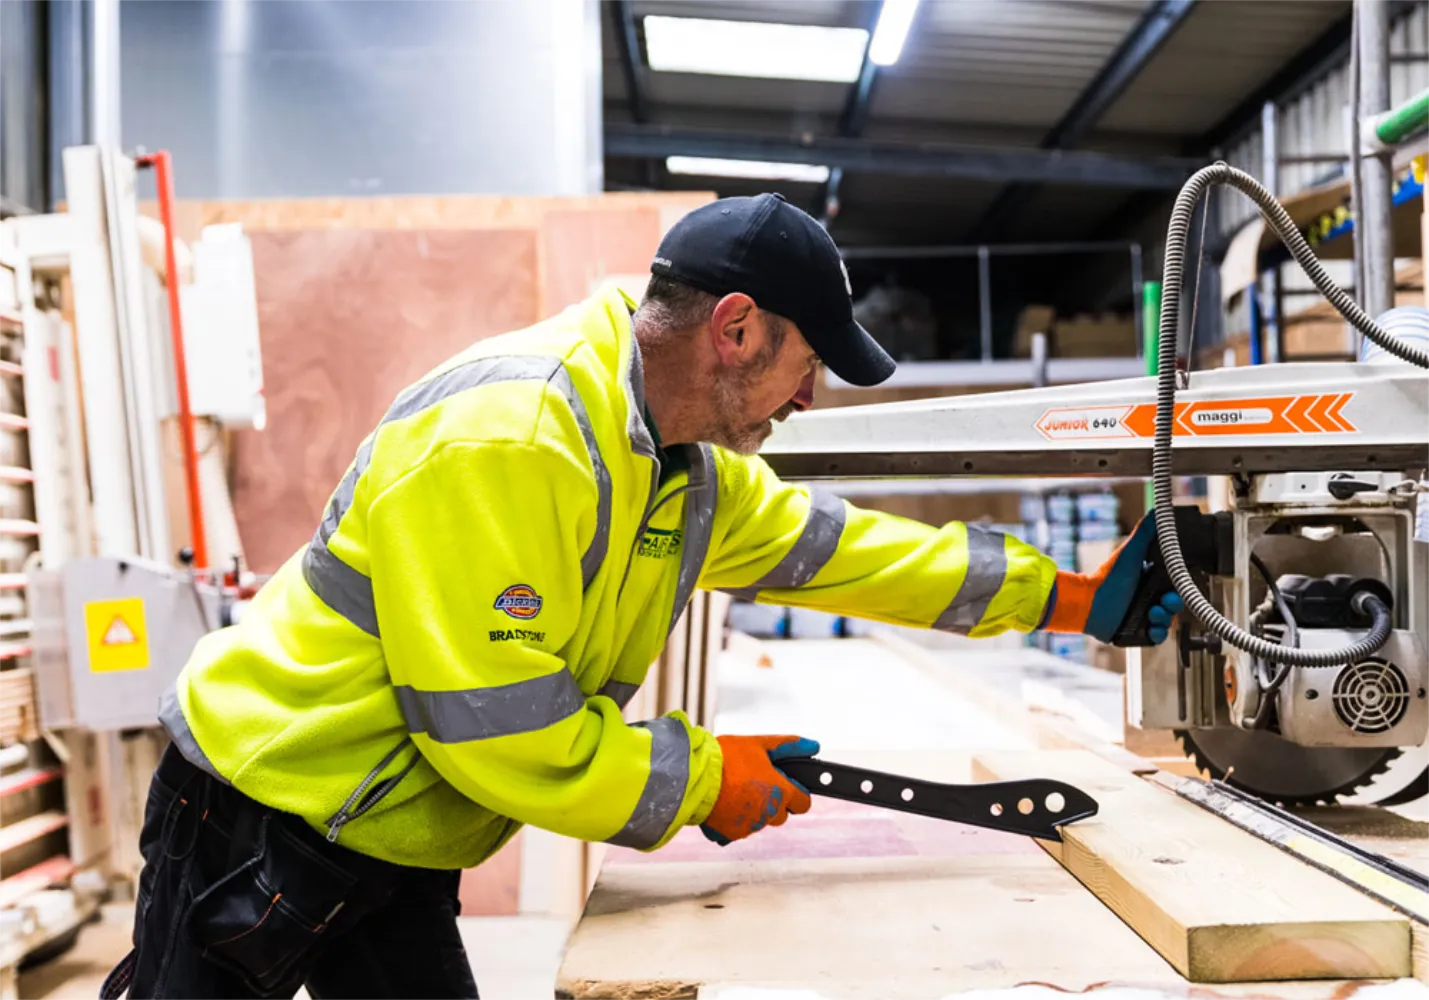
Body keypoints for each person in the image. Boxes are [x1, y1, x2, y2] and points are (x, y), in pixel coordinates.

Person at [102, 193, 1182, 999]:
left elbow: (834, 550)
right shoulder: (515, 439)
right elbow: (501, 727)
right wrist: (705, 778)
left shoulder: (676, 463)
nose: (809, 396)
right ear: (737, 326)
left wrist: (1068, 598)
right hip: (267, 806)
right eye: (806, 363)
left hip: (396, 831)